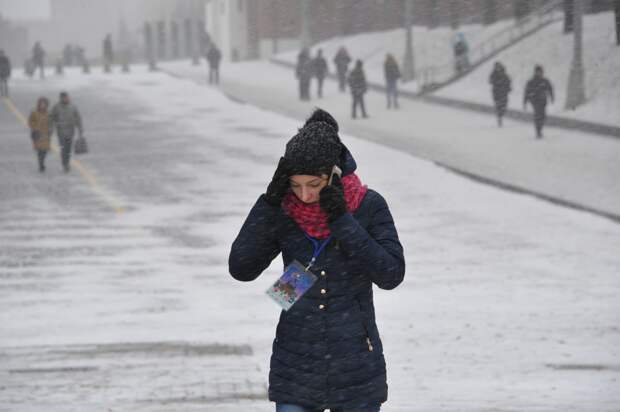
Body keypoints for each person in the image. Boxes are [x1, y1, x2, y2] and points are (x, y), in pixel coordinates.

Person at [229, 108, 405, 412]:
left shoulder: (368, 205)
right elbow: (241, 267)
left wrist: (343, 221)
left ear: (334, 175)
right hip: (295, 361)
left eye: (314, 184)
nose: (305, 195)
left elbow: (391, 273)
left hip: (356, 364)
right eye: (296, 185)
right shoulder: (283, 209)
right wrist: (268, 204)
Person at [51, 91, 84, 172]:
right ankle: (65, 164)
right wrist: (52, 127)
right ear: (61, 98)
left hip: (70, 131)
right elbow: (52, 117)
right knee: (63, 148)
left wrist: (80, 129)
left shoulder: (73, 106)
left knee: (68, 149)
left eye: (66, 97)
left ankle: (67, 162)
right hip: (61, 132)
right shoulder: (56, 107)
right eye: (63, 97)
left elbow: (78, 118)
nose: (65, 99)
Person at [523, 65, 554, 139]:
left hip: (543, 101)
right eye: (538, 72)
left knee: (543, 116)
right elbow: (526, 92)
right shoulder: (531, 81)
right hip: (534, 101)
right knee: (537, 115)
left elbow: (550, 89)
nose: (539, 73)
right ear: (535, 72)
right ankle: (538, 131)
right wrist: (525, 101)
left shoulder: (545, 81)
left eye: (540, 72)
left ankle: (540, 128)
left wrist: (552, 97)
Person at [28, 97, 53, 172]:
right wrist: (35, 127)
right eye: (41, 104)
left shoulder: (49, 113)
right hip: (37, 134)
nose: (42, 106)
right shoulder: (34, 112)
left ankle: (42, 162)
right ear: (39, 104)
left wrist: (51, 129)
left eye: (44, 104)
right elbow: (30, 121)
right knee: (39, 150)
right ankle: (41, 164)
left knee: (45, 150)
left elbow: (51, 122)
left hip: (46, 134)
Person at [489, 62, 512, 127]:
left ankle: (500, 114)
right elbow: (490, 80)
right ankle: (499, 116)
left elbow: (508, 81)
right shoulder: (493, 74)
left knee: (504, 105)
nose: (498, 68)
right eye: (496, 67)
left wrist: (509, 87)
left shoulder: (504, 74)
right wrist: (495, 81)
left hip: (504, 92)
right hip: (496, 93)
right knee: (498, 105)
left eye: (498, 67)